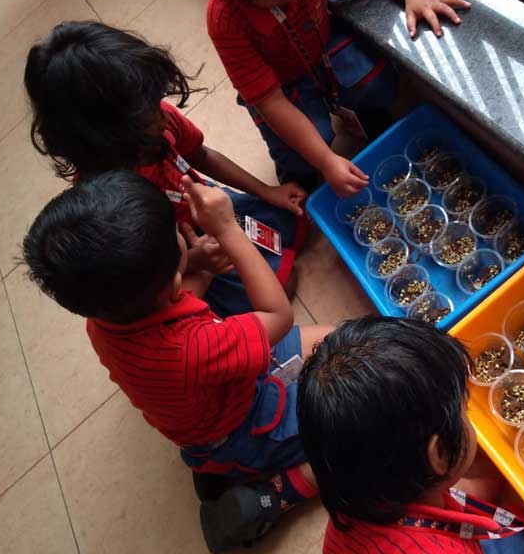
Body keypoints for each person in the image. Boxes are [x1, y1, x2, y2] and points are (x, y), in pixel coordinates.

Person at [22, 170, 333, 551]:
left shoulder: (102, 320)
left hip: (219, 403)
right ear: (172, 281)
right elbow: (278, 316)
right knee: (356, 422)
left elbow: (182, 298)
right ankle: (270, 495)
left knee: (334, 340)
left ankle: (218, 467)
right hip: (246, 421)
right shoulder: (192, 349)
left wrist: (199, 265)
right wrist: (228, 230)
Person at [24, 20, 307, 319]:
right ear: (106, 134)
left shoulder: (157, 116)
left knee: (299, 218)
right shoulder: (103, 198)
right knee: (282, 284)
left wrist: (267, 191)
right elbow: (141, 272)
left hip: (205, 207)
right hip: (175, 255)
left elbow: (202, 155)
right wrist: (196, 261)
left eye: (158, 103)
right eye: (149, 116)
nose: (164, 119)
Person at [205, 0, 471, 196]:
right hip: (280, 86)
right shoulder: (224, 20)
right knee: (301, 154)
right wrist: (325, 160)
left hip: (323, 47)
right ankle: (298, 170)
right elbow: (270, 102)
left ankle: (364, 113)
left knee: (377, 83)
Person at [298, 317, 524, 553]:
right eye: (464, 409)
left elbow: (457, 493)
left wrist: (492, 480)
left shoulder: (359, 488)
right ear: (440, 454)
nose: (467, 416)